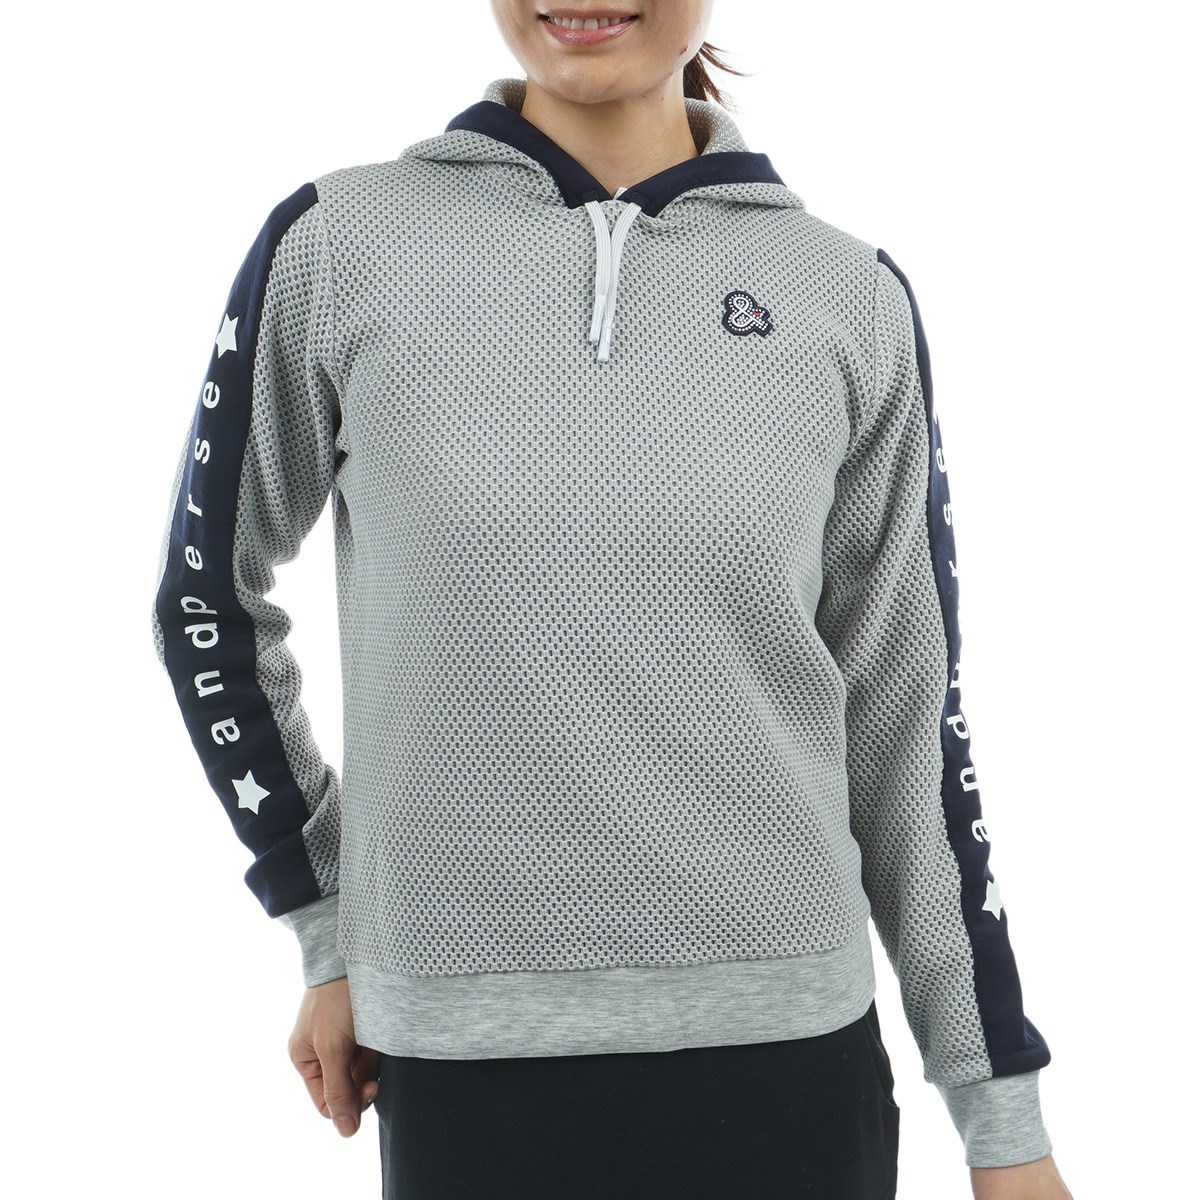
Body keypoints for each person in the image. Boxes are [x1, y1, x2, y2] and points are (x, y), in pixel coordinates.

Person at [151, 3, 1075, 1197]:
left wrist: (1003, 1123)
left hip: (787, 1065)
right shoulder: (339, 245)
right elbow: (206, 603)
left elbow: (907, 728)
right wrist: (326, 920)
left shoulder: (848, 294)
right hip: (464, 1068)